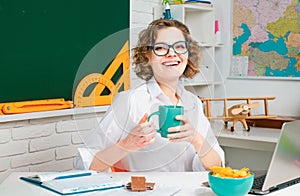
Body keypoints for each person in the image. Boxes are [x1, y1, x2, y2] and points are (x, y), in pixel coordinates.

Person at [76, 19, 224, 172]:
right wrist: (127, 144)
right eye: (161, 48)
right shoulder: (129, 101)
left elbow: (217, 167)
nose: (172, 54)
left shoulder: (193, 103)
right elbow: (87, 165)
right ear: (147, 56)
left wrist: (196, 139)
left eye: (179, 47)